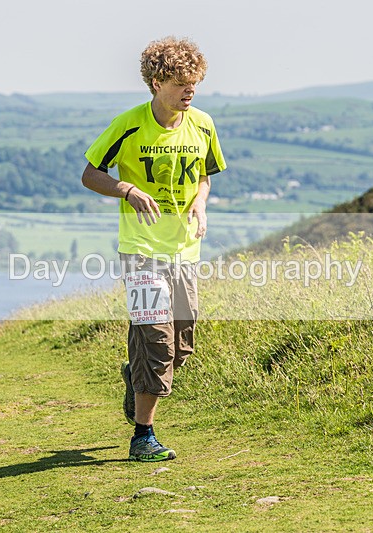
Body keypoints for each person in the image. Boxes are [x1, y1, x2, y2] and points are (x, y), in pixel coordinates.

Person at [81, 37, 226, 462]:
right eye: (182, 83)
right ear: (158, 81)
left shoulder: (202, 123)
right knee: (157, 341)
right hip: (141, 251)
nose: (190, 91)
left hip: (185, 252)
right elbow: (91, 173)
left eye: (194, 83)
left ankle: (135, 378)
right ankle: (143, 436)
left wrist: (200, 203)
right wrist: (126, 189)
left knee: (180, 346)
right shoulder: (128, 125)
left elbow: (205, 176)